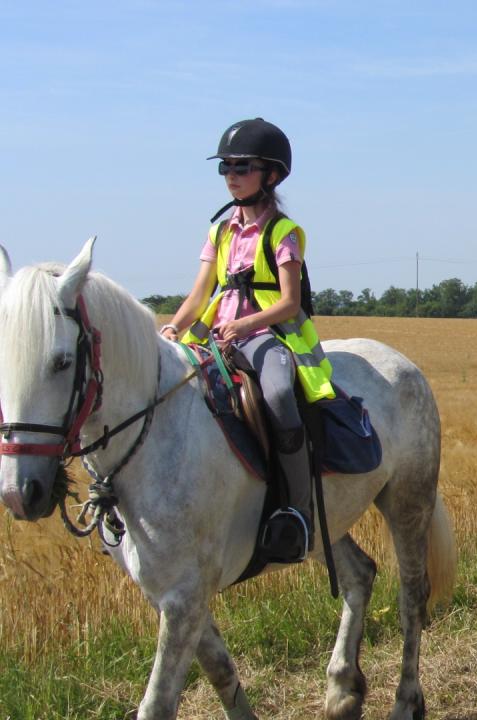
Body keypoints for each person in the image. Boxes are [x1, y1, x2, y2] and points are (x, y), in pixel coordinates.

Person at [162, 118, 334, 564]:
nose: (231, 175)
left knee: (278, 393)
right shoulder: (219, 233)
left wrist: (244, 326)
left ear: (271, 175)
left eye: (243, 166)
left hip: (266, 337)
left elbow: (291, 303)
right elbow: (200, 294)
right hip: (216, 336)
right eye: (225, 167)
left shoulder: (284, 233)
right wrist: (173, 328)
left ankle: (298, 509)